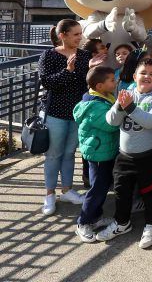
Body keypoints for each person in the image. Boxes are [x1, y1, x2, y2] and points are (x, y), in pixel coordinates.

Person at [98, 57, 152, 249]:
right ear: (135, 76)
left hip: (149, 155)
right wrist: (121, 106)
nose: (147, 77)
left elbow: (151, 121)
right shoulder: (127, 92)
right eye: (143, 73)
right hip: (125, 155)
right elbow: (111, 120)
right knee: (121, 191)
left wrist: (130, 107)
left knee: (150, 192)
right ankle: (122, 222)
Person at [38, 19, 91, 216]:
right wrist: (67, 71)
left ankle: (67, 190)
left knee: (69, 153)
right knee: (53, 154)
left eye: (80, 33)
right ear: (63, 35)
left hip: (77, 112)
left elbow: (86, 83)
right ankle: (50, 194)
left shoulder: (85, 55)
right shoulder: (49, 55)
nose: (80, 37)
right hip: (56, 112)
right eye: (76, 34)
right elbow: (47, 82)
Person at [73, 66, 120, 243]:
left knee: (102, 185)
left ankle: (96, 217)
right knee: (97, 188)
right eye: (111, 80)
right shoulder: (94, 105)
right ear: (100, 86)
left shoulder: (104, 97)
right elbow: (110, 125)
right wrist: (121, 108)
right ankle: (83, 222)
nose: (114, 82)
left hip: (104, 150)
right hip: (99, 153)